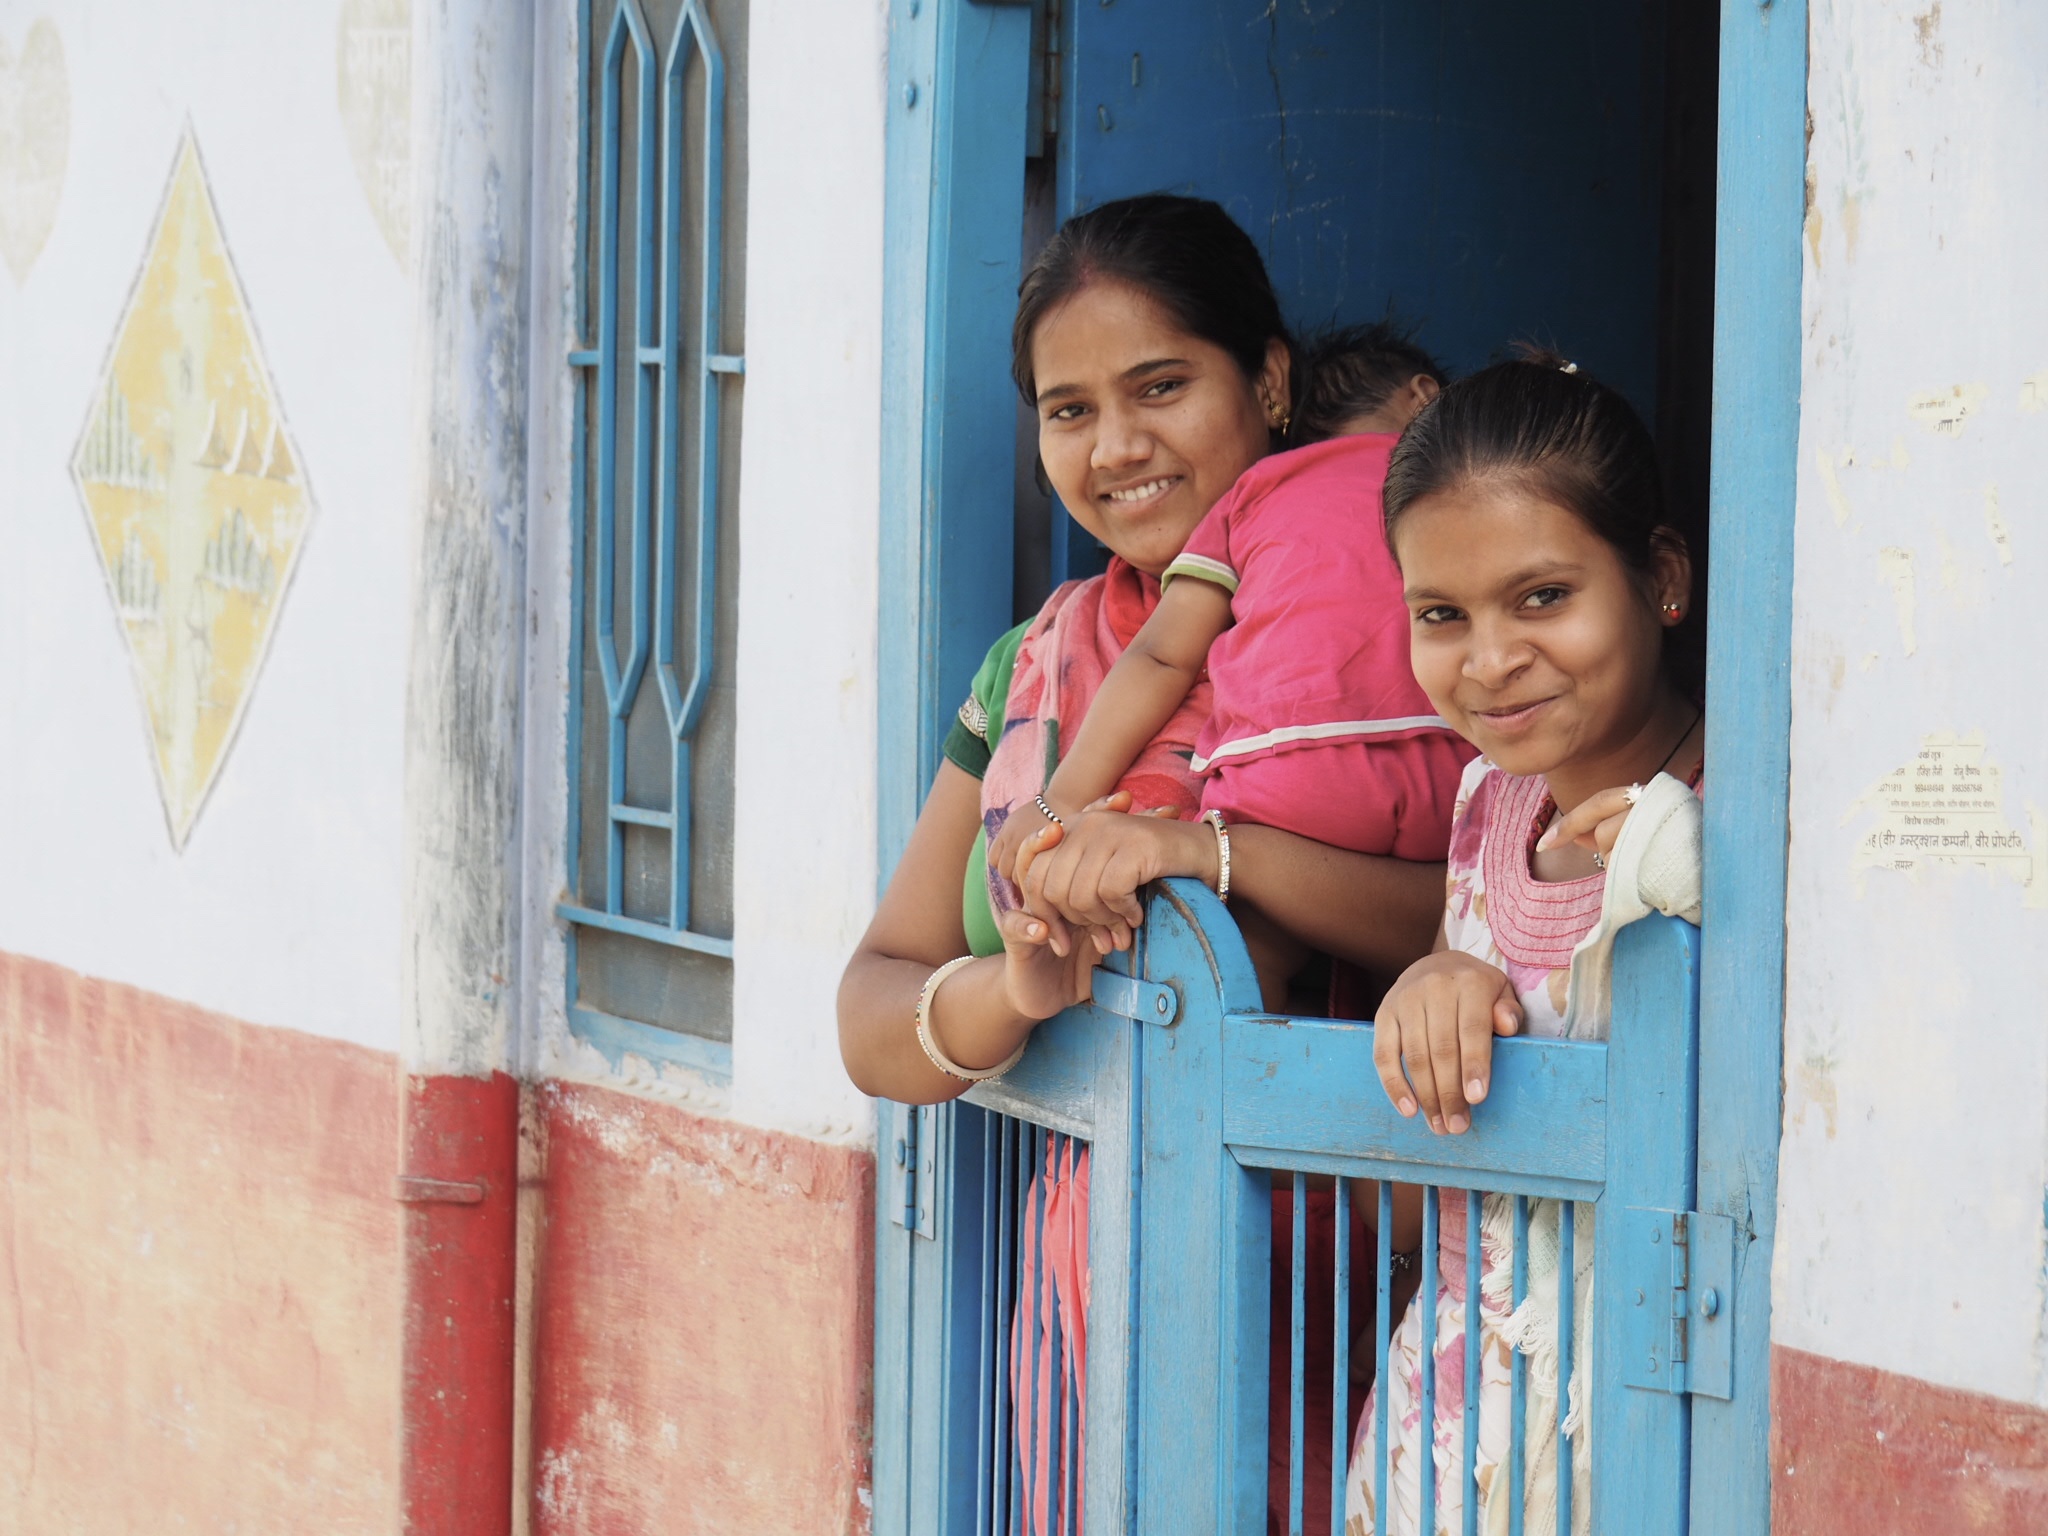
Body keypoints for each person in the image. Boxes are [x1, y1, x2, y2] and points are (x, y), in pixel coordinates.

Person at [838, 194, 1456, 1536]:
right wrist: (1013, 992)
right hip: (1101, 1325)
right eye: (1069, 410)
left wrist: (1217, 856)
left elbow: (1485, 912)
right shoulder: (1034, 664)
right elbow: (875, 1003)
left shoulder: (1407, 619)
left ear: (1269, 382)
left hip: (1372, 1305)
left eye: (1161, 386)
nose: (1115, 446)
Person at [1343, 355, 1707, 1535]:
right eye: (1440, 615)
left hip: (1645, 1431)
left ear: (1659, 577)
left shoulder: (1735, 825)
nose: (1488, 659)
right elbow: (1409, 1214)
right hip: (1446, 1440)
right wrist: (1428, 998)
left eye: (1541, 597)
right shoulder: (1482, 809)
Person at [987, 322, 1473, 1008]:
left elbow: (1161, 654)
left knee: (1250, 950)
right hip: (1451, 766)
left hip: (1289, 784)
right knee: (1462, 951)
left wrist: (1058, 801)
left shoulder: (1253, 494)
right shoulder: (1466, 492)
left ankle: (1252, 1052)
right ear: (1424, 396)